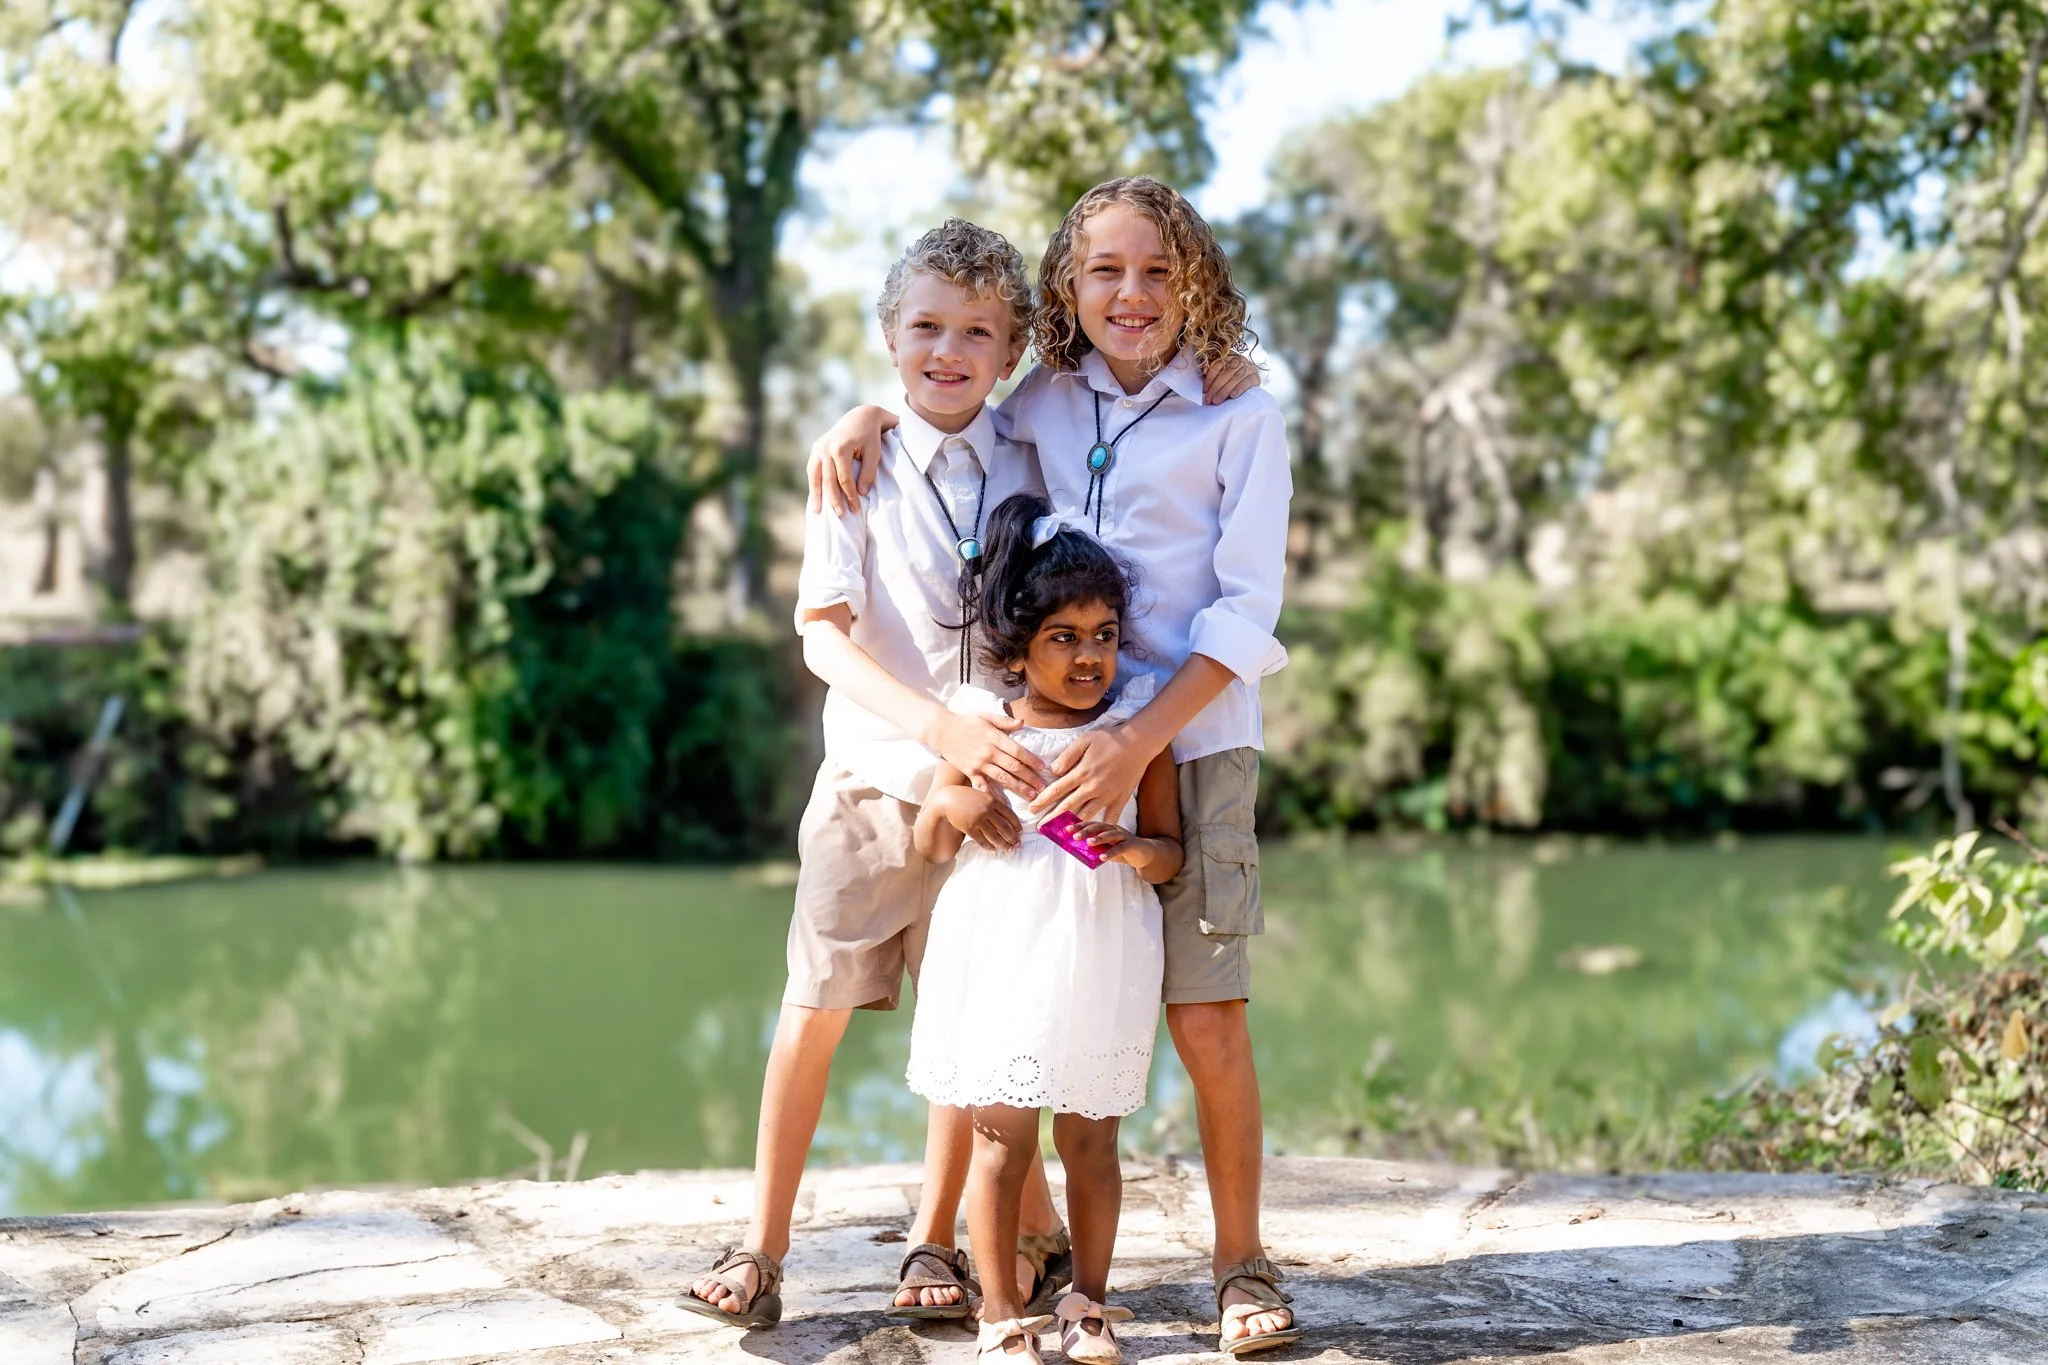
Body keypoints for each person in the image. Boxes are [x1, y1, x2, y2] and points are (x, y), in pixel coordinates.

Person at [808, 176, 1302, 1357]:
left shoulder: (1239, 414)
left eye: (1154, 270)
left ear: (1195, 283)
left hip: (1192, 741)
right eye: (1101, 272)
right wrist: (861, 419)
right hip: (1043, 753)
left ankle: (1240, 1262)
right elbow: (946, 391)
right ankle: (1020, 1260)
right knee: (1035, 1001)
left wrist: (1136, 737)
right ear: (1066, 294)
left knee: (1207, 1012)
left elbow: (1246, 610)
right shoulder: (1040, 398)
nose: (1129, 294)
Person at [680, 219, 1073, 1330]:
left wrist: (982, 741)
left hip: (989, 793)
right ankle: (760, 1247)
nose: (946, 353)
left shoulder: (1032, 460)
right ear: (888, 335)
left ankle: (934, 1240)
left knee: (960, 1023)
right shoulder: (851, 461)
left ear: (1010, 352)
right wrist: (932, 732)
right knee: (814, 1004)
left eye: (976, 335)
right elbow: (823, 636)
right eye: (924, 329)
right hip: (868, 775)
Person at [910, 493, 1181, 1365]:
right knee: (1001, 1135)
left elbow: (1171, 855)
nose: (1089, 655)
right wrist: (959, 799)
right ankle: (999, 1314)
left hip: (1100, 948)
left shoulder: (1136, 736)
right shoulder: (986, 722)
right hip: (1001, 947)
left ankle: (1089, 1300)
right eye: (1064, 637)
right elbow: (927, 833)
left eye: (1103, 634)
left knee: (1092, 1136)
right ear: (1016, 646)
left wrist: (1130, 846)